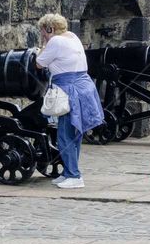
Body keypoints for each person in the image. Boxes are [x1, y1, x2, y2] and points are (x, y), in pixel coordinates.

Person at [34, 13, 103, 189]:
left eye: (43, 31)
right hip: (83, 86)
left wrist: (43, 44)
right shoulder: (72, 36)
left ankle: (74, 176)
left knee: (65, 135)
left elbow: (39, 63)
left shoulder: (55, 41)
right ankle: (68, 172)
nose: (42, 34)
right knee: (74, 133)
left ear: (50, 29)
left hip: (69, 89)